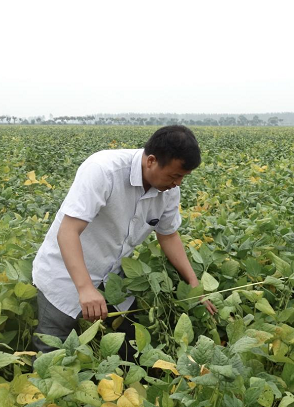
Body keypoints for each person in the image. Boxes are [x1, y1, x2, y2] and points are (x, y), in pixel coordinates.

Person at [32, 125, 217, 354]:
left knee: (132, 344)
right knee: (52, 348)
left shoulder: (169, 190)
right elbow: (67, 231)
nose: (178, 183)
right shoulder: (103, 170)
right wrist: (86, 288)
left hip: (113, 277)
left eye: (182, 177)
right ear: (151, 161)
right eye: (175, 175)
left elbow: (168, 235)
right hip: (65, 276)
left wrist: (194, 285)